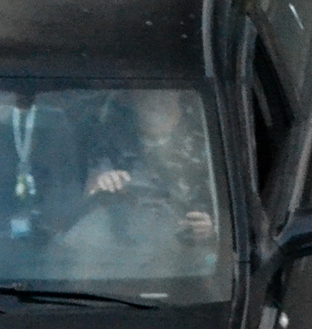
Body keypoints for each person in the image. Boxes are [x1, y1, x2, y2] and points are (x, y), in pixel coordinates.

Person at [72, 89, 217, 244]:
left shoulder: (210, 142)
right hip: (119, 246)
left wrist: (211, 229)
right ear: (130, 98)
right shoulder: (106, 139)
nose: (156, 97)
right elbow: (81, 195)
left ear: (180, 95)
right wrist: (101, 182)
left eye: (165, 90)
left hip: (185, 248)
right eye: (147, 92)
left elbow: (230, 215)